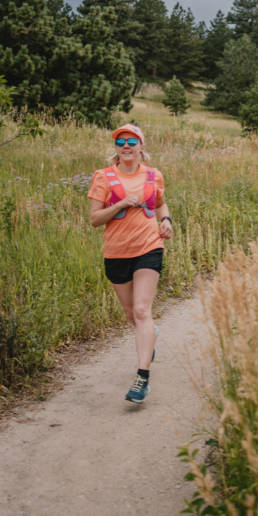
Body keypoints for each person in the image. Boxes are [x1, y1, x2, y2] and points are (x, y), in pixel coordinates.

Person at [88, 124, 173, 403]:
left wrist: (166, 221)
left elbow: (160, 204)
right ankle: (149, 334)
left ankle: (142, 379)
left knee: (140, 310)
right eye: (120, 141)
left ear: (141, 146)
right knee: (130, 314)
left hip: (149, 247)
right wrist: (120, 204)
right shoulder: (103, 177)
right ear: (115, 147)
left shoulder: (153, 175)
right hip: (116, 251)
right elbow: (95, 220)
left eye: (132, 140)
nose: (126, 145)